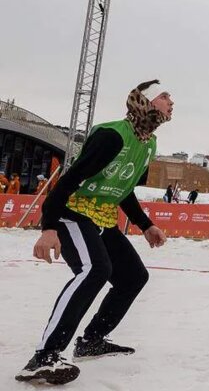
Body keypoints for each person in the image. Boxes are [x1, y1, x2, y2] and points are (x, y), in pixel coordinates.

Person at [16, 80, 171, 385]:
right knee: (95, 270)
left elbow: (123, 190)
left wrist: (146, 224)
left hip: (101, 217)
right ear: (146, 102)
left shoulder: (148, 144)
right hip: (71, 212)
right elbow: (68, 179)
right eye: (165, 96)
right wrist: (48, 228)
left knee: (133, 277)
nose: (171, 102)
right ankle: (44, 356)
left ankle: (92, 340)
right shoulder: (112, 135)